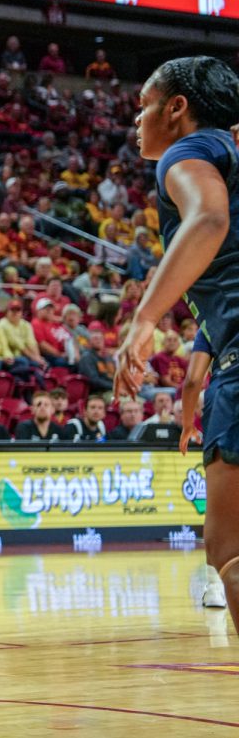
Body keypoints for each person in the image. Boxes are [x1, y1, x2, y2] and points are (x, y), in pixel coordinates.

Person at [113, 57, 239, 626]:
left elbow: (208, 220)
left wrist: (144, 319)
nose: (137, 121)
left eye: (144, 105)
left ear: (177, 108)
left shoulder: (185, 152)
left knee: (231, 555)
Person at [179, 330, 228, 608]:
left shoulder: (212, 319)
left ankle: (214, 587)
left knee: (218, 505)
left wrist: (187, 425)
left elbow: (193, 380)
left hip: (224, 402)